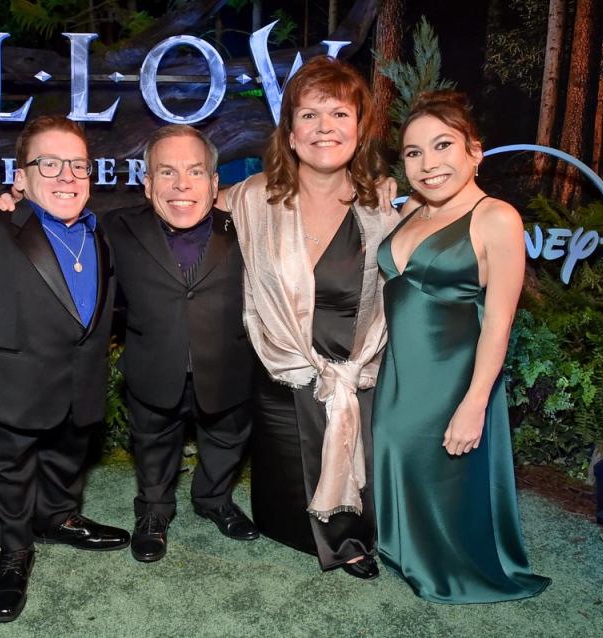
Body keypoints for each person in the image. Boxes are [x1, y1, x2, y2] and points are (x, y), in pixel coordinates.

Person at [0, 125, 258, 564]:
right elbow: (57, 239)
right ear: (148, 184)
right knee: (152, 443)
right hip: (152, 367)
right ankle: (153, 512)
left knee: (226, 439)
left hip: (228, 365)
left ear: (213, 182)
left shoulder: (247, 228)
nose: (181, 184)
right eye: (166, 173)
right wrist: (16, 210)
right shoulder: (114, 228)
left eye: (194, 172)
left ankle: (215, 499)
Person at [0, 115, 130, 623]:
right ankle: (13, 549)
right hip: (10, 384)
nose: (67, 176)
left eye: (78, 165)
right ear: (19, 178)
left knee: (70, 455)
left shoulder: (103, 232)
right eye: (49, 163)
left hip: (81, 381)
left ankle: (58, 518)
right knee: (11, 472)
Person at [220, 55, 400, 580]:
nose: (325, 127)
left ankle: (350, 537)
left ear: (359, 130)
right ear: (291, 134)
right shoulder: (254, 198)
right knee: (283, 509)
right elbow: (179, 200)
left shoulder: (382, 210)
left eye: (340, 114)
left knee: (364, 497)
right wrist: (21, 202)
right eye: (310, 115)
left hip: (357, 380)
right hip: (282, 383)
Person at [371, 90, 550, 603]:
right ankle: (403, 551)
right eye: (413, 153)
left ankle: (451, 570)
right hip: (401, 374)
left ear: (475, 150)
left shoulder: (497, 217)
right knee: (396, 454)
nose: (428, 164)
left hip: (455, 378)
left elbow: (499, 323)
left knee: (445, 476)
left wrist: (474, 405)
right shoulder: (410, 211)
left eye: (442, 145)